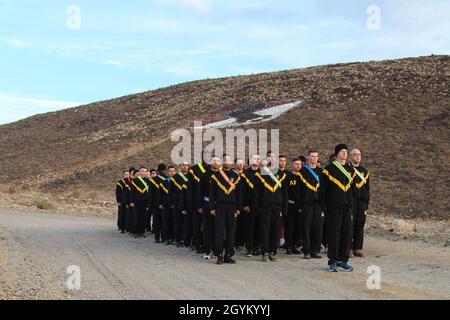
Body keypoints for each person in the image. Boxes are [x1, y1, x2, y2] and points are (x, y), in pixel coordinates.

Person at [321, 144, 354, 272]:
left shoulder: (350, 169)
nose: (345, 153)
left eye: (346, 151)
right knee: (334, 234)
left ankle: (343, 260)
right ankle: (333, 261)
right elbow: (322, 190)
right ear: (336, 154)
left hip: (347, 207)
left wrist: (352, 206)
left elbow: (352, 190)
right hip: (333, 207)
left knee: (346, 234)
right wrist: (324, 207)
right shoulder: (329, 169)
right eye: (342, 151)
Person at [253, 158, 288, 262]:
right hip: (265, 207)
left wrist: (285, 208)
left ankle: (273, 252)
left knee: (276, 230)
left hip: (278, 207)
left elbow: (285, 193)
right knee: (264, 230)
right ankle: (264, 252)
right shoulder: (260, 175)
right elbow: (256, 194)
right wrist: (257, 208)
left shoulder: (281, 175)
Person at [210, 155, 242, 264]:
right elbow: (212, 193)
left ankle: (228, 254)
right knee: (219, 231)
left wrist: (238, 208)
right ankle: (219, 255)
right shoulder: (216, 176)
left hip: (232, 207)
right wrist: (212, 207)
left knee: (231, 231)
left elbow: (239, 194)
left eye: (229, 160)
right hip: (219, 206)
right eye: (225, 160)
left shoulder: (236, 176)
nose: (227, 162)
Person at [299, 151, 324, 259]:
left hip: (318, 204)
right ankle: (307, 251)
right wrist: (300, 205)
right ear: (308, 158)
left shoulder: (322, 172)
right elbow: (299, 190)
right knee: (306, 228)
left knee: (317, 228)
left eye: (316, 157)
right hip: (306, 204)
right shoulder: (303, 171)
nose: (314, 158)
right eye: (312, 156)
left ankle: (316, 250)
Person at [350, 149, 370, 257]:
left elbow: (367, 188)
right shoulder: (348, 170)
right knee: (350, 225)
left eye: (359, 155)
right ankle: (349, 248)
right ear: (351, 156)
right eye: (355, 155)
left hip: (361, 202)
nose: (357, 157)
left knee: (359, 225)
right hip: (352, 201)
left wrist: (367, 202)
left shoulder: (365, 171)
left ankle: (358, 247)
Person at [197, 157, 219, 259]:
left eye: (218, 161)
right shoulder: (205, 175)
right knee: (207, 228)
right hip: (206, 204)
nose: (216, 163)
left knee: (218, 228)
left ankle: (217, 250)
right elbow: (200, 191)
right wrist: (200, 206)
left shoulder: (222, 175)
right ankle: (207, 250)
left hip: (219, 205)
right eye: (214, 161)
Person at [190, 152, 211, 254]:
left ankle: (207, 244)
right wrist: (196, 204)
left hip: (209, 202)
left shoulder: (213, 169)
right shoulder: (194, 169)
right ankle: (197, 244)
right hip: (197, 201)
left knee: (208, 225)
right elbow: (191, 189)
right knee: (197, 224)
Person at [242, 154, 261, 257]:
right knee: (249, 227)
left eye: (258, 159)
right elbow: (242, 191)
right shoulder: (245, 174)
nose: (257, 160)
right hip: (249, 205)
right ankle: (249, 247)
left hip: (260, 205)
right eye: (255, 159)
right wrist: (244, 204)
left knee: (259, 227)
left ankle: (257, 247)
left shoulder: (263, 173)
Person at [284, 159, 303, 255]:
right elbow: (286, 192)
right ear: (292, 165)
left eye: (300, 164)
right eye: (296, 164)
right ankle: (289, 247)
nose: (298, 166)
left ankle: (296, 246)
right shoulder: (288, 176)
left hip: (301, 207)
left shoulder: (303, 176)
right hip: (291, 205)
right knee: (290, 227)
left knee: (298, 228)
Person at [129, 167, 151, 238]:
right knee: (136, 217)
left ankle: (142, 231)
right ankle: (135, 232)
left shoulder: (148, 181)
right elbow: (132, 192)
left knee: (143, 217)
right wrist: (131, 201)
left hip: (145, 201)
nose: (144, 172)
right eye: (142, 171)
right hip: (137, 201)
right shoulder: (135, 180)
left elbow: (150, 192)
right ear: (139, 172)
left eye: (145, 171)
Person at [160, 166, 176, 245]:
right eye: (170, 171)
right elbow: (160, 194)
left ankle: (174, 238)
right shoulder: (163, 182)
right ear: (167, 172)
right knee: (166, 222)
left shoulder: (178, 181)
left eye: (173, 171)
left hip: (176, 205)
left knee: (175, 223)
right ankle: (167, 238)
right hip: (166, 205)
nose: (172, 173)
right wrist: (160, 203)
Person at [233, 159, 246, 251]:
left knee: (243, 224)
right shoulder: (232, 175)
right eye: (238, 164)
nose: (240, 165)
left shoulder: (246, 175)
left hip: (244, 202)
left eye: (242, 164)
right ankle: (234, 242)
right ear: (234, 165)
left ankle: (241, 242)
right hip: (234, 202)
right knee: (234, 225)